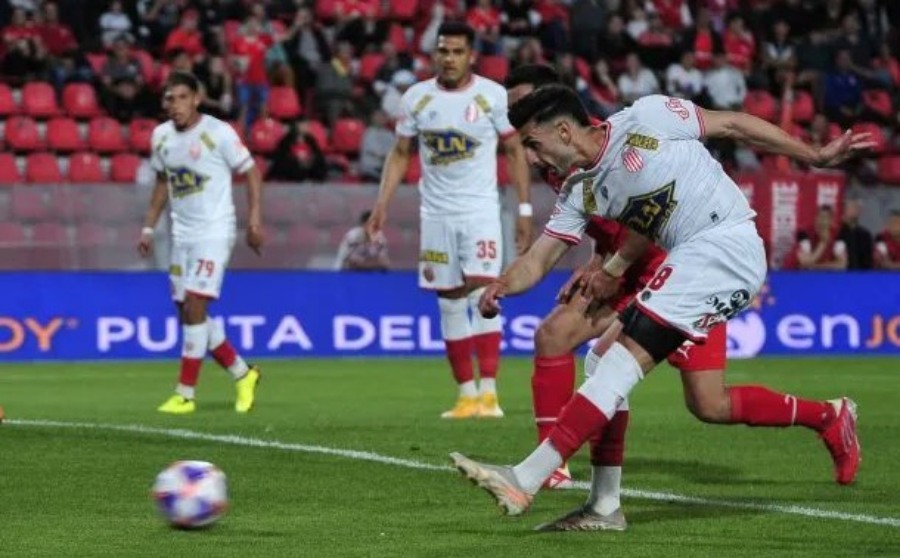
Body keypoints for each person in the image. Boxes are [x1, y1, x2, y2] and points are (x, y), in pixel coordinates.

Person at [450, 85, 870, 529]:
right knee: (631, 373)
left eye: (533, 144)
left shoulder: (647, 117)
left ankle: (525, 478)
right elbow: (538, 258)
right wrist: (501, 284)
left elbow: (732, 123)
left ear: (564, 131)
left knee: (618, 365)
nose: (531, 159)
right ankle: (604, 506)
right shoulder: (579, 191)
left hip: (725, 245)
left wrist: (815, 154)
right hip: (689, 261)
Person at [366, 22, 533, 420]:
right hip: (436, 214)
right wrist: (381, 205)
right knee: (449, 299)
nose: (449, 58)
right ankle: (466, 395)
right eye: (443, 50)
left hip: (479, 211)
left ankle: (490, 394)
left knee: (482, 293)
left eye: (457, 51)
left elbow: (514, 152)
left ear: (471, 54)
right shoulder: (417, 98)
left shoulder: (491, 95)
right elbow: (401, 152)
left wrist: (524, 210)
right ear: (434, 53)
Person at [138, 71, 265, 415]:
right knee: (187, 312)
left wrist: (254, 220)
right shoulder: (161, 137)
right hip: (182, 235)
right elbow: (163, 184)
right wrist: (148, 229)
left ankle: (185, 393)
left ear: (196, 98)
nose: (174, 105)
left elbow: (252, 172)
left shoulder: (218, 132)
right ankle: (243, 373)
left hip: (214, 230)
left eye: (181, 97)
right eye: (169, 98)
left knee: (195, 303)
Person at [785, 205, 848, 271]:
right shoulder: (803, 233)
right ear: (815, 218)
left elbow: (842, 265)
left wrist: (816, 267)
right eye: (819, 217)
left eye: (826, 218)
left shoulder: (838, 235)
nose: (822, 221)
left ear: (831, 221)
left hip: (816, 274)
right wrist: (823, 243)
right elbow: (806, 262)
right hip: (791, 273)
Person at [838, 197, 873, 270]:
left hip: (862, 276)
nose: (855, 210)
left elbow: (868, 260)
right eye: (852, 207)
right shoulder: (838, 232)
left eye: (857, 208)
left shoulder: (865, 234)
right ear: (845, 209)